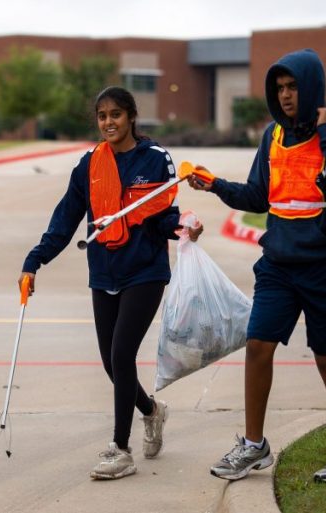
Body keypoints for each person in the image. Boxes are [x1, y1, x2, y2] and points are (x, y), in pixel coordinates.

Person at [187, 48, 326, 483]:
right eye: (280, 88)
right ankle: (254, 445)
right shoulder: (272, 135)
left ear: (312, 88)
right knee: (257, 346)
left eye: (293, 87)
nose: (286, 96)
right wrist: (214, 185)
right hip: (278, 264)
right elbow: (258, 196)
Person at [19, 86, 202, 480]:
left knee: (121, 355)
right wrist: (35, 261)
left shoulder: (155, 159)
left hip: (145, 271)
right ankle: (152, 411)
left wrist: (185, 226)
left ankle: (120, 449)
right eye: (102, 116)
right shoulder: (89, 165)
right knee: (110, 363)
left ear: (131, 116)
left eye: (115, 114)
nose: (108, 122)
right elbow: (65, 218)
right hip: (104, 272)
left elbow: (164, 216)